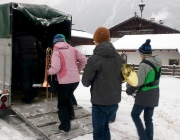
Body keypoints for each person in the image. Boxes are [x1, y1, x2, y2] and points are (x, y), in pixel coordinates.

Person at [82, 27, 126, 140]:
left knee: (98, 133)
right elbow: (123, 78)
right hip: (114, 103)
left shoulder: (94, 59)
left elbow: (85, 82)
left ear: (97, 41)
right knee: (105, 127)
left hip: (100, 103)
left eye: (94, 40)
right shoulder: (119, 58)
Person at [47, 34, 87, 134]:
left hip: (65, 81)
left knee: (62, 104)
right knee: (68, 97)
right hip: (75, 80)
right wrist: (77, 70)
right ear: (64, 41)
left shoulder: (57, 51)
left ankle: (65, 126)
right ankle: (71, 115)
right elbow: (84, 60)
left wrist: (48, 72)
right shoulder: (73, 49)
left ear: (55, 42)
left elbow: (56, 68)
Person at [126, 39, 162, 140]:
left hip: (145, 95)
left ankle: (143, 138)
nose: (139, 55)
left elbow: (139, 82)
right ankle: (149, 138)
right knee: (148, 118)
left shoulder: (144, 64)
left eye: (140, 53)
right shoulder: (157, 63)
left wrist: (131, 88)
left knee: (135, 114)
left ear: (143, 53)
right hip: (155, 94)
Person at [13, 31, 44, 104]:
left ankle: (28, 98)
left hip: (24, 61)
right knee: (33, 77)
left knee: (25, 78)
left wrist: (18, 61)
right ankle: (35, 93)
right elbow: (41, 50)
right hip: (35, 61)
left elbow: (15, 51)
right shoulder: (34, 38)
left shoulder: (18, 39)